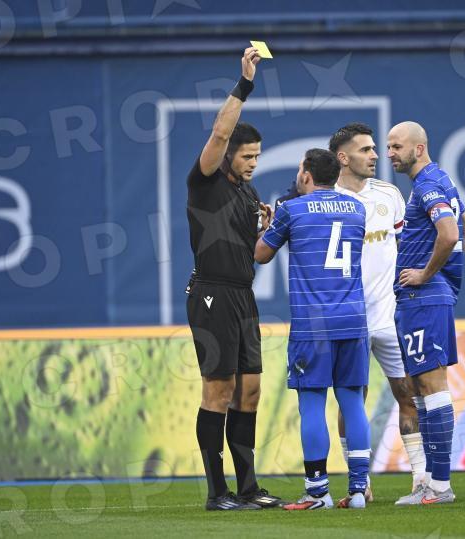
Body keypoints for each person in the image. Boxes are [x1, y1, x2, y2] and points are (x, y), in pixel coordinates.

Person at [186, 46, 283, 511]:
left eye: (257, 156)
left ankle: (248, 488)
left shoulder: (249, 193)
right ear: (226, 155)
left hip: (243, 296)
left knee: (250, 391)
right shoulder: (205, 178)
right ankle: (216, 492)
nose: (252, 163)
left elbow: (255, 257)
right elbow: (221, 130)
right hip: (211, 295)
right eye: (246, 156)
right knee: (219, 391)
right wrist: (245, 84)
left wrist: (264, 228)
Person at [255, 149, 371, 510]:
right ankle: (358, 491)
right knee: (353, 402)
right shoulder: (357, 209)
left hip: (313, 325)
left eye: (299, 169)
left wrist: (266, 227)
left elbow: (261, 254)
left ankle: (318, 492)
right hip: (353, 319)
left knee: (312, 404)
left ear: (306, 175)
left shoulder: (291, 209)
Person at [329, 123, 426, 505]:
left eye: (375, 148)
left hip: (389, 317)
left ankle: (421, 479)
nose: (375, 156)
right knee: (352, 401)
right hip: (349, 320)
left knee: (409, 394)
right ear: (343, 158)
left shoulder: (389, 194)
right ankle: (360, 482)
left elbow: (406, 247)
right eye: (366, 150)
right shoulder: (326, 199)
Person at [386, 121, 465, 506]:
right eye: (388, 146)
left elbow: (451, 233)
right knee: (421, 389)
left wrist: (428, 274)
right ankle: (432, 484)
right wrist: (443, 275)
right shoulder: (443, 181)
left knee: (433, 388)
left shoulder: (426, 186)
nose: (390, 153)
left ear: (418, 148)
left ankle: (440, 485)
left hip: (423, 298)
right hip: (424, 299)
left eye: (396, 146)